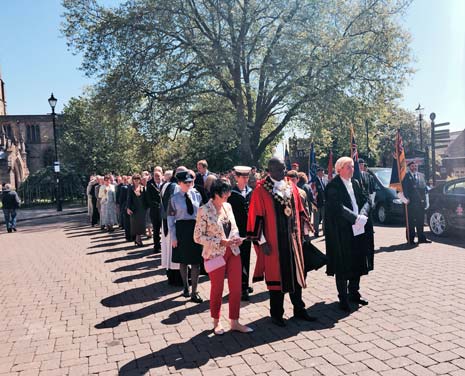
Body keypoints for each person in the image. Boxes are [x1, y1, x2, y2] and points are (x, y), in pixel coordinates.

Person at [247, 157, 316, 327]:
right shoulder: (261, 190)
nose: (282, 172)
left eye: (283, 168)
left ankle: (299, 309)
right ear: (269, 171)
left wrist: (305, 232)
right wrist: (262, 242)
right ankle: (276, 314)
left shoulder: (290, 186)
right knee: (276, 279)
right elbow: (256, 217)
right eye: (278, 169)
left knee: (297, 275)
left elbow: (299, 209)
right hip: (274, 243)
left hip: (293, 240)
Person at [194, 179, 253, 335]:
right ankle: (216, 321)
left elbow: (233, 227)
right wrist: (220, 242)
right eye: (225, 192)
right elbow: (197, 237)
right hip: (214, 254)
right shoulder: (204, 210)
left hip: (233, 252)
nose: (228, 194)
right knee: (217, 289)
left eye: (228, 191)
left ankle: (235, 321)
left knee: (236, 287)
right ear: (216, 193)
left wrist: (237, 238)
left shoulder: (228, 206)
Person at [324, 157, 374, 312]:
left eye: (352, 166)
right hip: (342, 231)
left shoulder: (357, 183)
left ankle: (354, 292)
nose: (352, 169)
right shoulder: (333, 186)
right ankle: (343, 297)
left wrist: (363, 215)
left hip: (358, 228)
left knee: (358, 260)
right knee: (343, 263)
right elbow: (337, 207)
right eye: (348, 167)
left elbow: (367, 200)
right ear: (339, 169)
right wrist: (355, 218)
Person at [168, 170, 204, 303]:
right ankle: (185, 287)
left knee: (196, 262)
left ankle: (194, 292)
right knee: (183, 261)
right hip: (181, 230)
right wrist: (173, 237)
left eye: (190, 182)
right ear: (179, 183)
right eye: (186, 182)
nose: (189, 184)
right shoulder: (174, 198)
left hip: (195, 229)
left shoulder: (196, 195)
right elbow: (170, 219)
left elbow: (201, 213)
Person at [228, 166, 254, 301]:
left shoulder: (250, 191)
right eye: (242, 177)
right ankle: (241, 287)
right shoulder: (231, 193)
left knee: (247, 258)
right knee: (238, 260)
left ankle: (245, 284)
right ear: (236, 177)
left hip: (248, 231)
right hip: (236, 231)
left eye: (247, 177)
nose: (245, 179)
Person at [160, 169, 182, 285]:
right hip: (174, 223)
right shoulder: (177, 187)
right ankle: (177, 279)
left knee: (168, 250)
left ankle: (171, 276)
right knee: (174, 250)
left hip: (166, 222)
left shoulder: (165, 185)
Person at [401, 161, 431, 245]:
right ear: (409, 167)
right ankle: (410, 239)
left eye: (415, 166)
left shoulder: (422, 176)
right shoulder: (406, 176)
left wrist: (426, 200)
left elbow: (425, 189)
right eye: (412, 166)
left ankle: (421, 238)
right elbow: (404, 189)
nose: (414, 167)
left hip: (420, 203)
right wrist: (406, 199)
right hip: (410, 204)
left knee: (420, 221)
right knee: (410, 223)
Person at [127, 174, 147, 247]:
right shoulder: (130, 188)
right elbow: (128, 199)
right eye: (135, 179)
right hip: (134, 209)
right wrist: (128, 208)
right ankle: (138, 239)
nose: (136, 181)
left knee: (141, 225)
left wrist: (147, 207)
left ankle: (138, 239)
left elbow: (146, 199)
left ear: (140, 180)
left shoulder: (143, 188)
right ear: (133, 180)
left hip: (142, 209)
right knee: (135, 225)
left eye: (138, 179)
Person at [146, 169, 163, 252]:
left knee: (164, 230)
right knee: (156, 230)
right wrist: (157, 205)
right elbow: (149, 200)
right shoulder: (150, 186)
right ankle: (156, 246)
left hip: (163, 212)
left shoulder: (164, 185)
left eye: (159, 176)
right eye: (155, 176)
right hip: (155, 211)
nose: (157, 177)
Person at [313, 167, 326, 237]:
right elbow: (314, 192)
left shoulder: (323, 180)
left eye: (323, 172)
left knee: (324, 218)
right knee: (316, 219)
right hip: (317, 203)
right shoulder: (315, 180)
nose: (323, 173)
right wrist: (314, 202)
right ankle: (316, 232)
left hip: (324, 203)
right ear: (318, 173)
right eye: (322, 172)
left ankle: (324, 231)